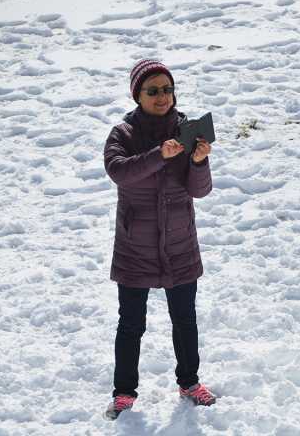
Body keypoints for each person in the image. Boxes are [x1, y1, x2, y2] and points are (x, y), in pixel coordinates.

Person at [102, 59, 216, 420]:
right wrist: (158, 155)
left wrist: (199, 162)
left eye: (167, 89)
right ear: (138, 94)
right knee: (131, 323)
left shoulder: (188, 130)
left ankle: (189, 382)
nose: (162, 97)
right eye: (153, 91)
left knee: (185, 318)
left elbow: (200, 191)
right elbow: (119, 171)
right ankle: (123, 392)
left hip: (180, 241)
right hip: (136, 245)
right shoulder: (123, 133)